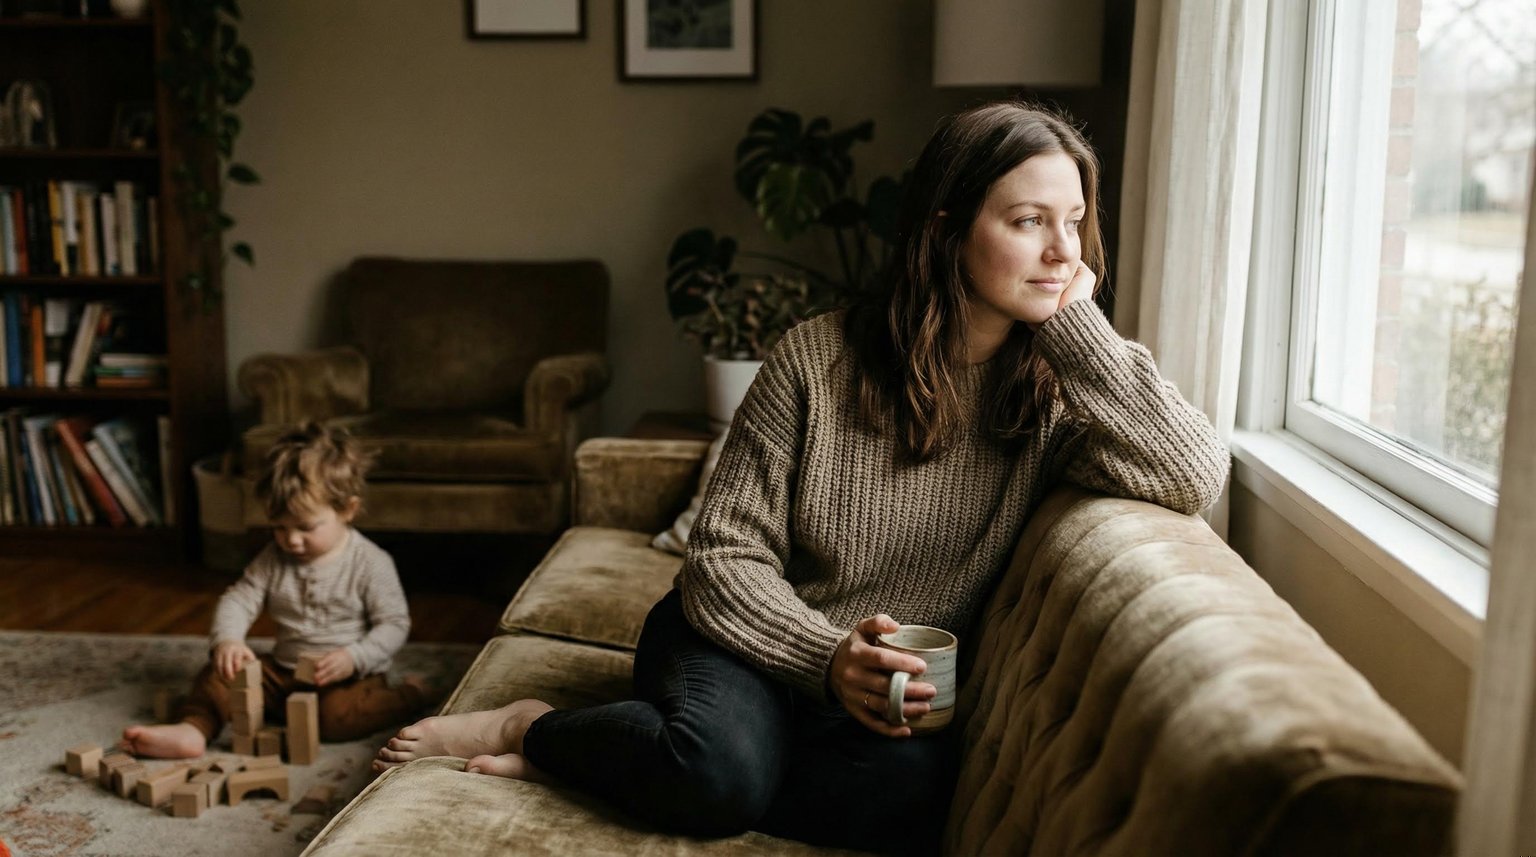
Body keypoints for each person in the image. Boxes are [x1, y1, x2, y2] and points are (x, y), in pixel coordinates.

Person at [372, 101, 1229, 855]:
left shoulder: (1058, 390)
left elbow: (1192, 473)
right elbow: (721, 558)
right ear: (946, 228)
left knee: (904, 805)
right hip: (737, 637)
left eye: (1074, 222)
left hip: (879, 687)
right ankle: (538, 727)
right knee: (717, 776)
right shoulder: (817, 358)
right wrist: (826, 657)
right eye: (1028, 221)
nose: (1061, 251)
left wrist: (1078, 329)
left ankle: (683, 755)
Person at [122, 422, 426, 759]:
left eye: (305, 527)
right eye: (278, 527)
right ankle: (193, 728)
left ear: (347, 510)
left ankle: (409, 696)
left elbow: (394, 625)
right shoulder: (273, 557)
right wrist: (229, 640)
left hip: (348, 677)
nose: (291, 540)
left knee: (336, 719)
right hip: (284, 671)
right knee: (221, 675)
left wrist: (354, 658)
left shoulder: (370, 562)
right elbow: (239, 598)